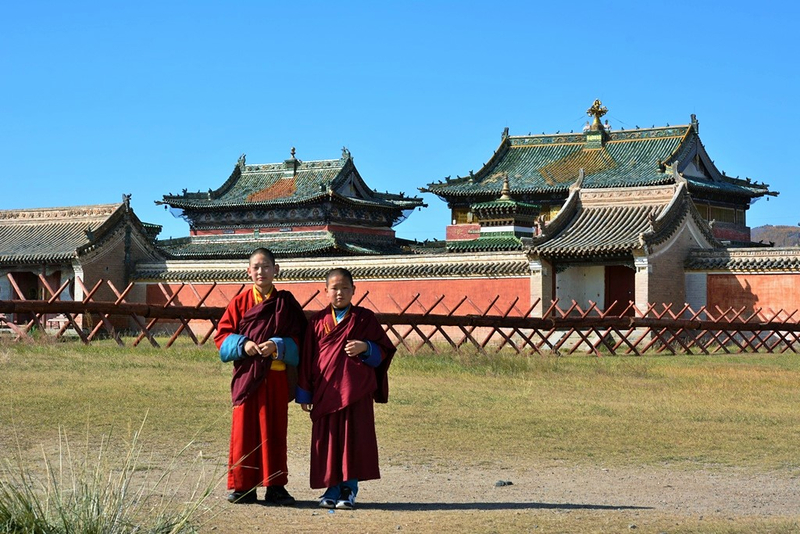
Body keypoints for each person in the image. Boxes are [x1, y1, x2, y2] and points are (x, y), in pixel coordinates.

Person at [296, 267, 396, 510]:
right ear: (326, 291)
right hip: (325, 391)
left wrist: (366, 347)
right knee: (328, 440)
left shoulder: (365, 318)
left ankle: (349, 489)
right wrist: (305, 393)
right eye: (334, 288)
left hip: (355, 392)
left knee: (353, 439)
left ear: (354, 290)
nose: (339, 293)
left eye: (344, 288)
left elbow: (384, 351)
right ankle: (330, 488)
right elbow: (308, 358)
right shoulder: (318, 321)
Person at [214, 248, 307, 505]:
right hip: (248, 377)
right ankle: (243, 487)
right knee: (245, 432)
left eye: (266, 266)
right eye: (255, 267)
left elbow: (304, 340)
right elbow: (221, 337)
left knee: (274, 432)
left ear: (276, 270)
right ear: (248, 271)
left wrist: (279, 346)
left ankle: (275, 486)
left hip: (276, 377)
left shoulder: (286, 304)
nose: (260, 272)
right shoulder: (240, 303)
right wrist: (242, 344)